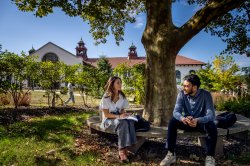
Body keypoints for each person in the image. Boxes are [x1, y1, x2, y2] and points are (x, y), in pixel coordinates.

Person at [160, 74, 217, 166]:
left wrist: (198, 120)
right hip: (187, 122)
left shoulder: (206, 95)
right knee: (173, 122)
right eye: (184, 85)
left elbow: (211, 115)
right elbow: (176, 112)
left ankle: (210, 157)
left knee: (212, 125)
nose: (184, 88)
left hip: (200, 123)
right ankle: (171, 154)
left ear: (194, 87)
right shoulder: (182, 94)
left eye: (187, 86)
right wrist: (183, 118)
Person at [99, 76, 137, 163]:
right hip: (107, 121)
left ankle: (128, 147)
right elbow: (106, 114)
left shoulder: (122, 96)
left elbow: (122, 110)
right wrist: (119, 116)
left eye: (121, 83)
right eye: (118, 83)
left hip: (118, 119)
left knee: (130, 121)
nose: (120, 85)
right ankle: (121, 150)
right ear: (112, 84)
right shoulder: (106, 97)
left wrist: (125, 114)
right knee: (122, 122)